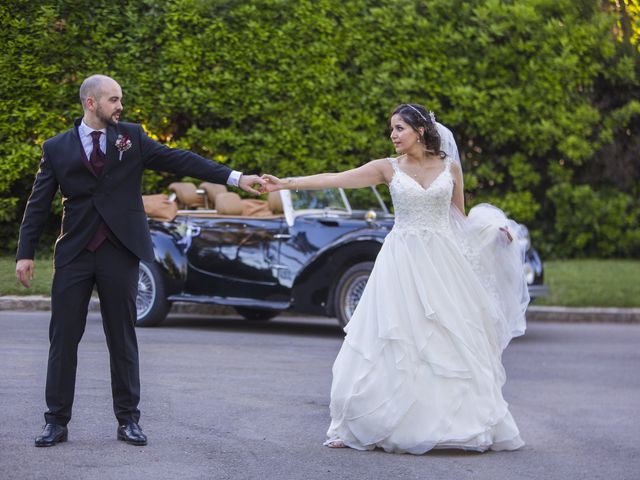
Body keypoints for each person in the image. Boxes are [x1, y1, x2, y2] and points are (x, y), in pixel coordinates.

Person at [261, 103, 529, 454]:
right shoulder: (386, 169)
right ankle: (369, 420)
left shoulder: (450, 168)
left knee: (446, 338)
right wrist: (284, 184)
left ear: (420, 131)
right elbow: (335, 177)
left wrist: (495, 233)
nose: (392, 135)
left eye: (399, 128)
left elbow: (459, 220)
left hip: (443, 262)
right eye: (392, 129)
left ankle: (457, 423)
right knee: (393, 339)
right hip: (401, 260)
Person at [15, 74, 265, 447]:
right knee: (63, 339)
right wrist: (24, 253)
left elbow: (182, 160)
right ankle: (56, 422)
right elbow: (38, 204)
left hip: (120, 251)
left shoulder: (130, 136)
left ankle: (128, 421)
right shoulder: (56, 148)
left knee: (123, 338)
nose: (120, 106)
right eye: (113, 99)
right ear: (91, 102)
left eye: (120, 99)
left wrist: (235, 177)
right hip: (75, 254)